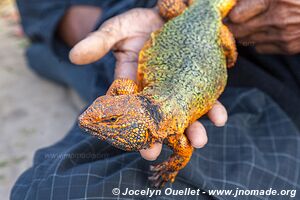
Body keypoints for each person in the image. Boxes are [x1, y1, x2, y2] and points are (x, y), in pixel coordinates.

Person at [11, 0, 300, 199]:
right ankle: (63, 34)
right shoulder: (144, 106)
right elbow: (125, 86)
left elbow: (182, 150)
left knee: (57, 191)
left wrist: (172, 165)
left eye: (110, 119)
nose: (91, 119)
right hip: (180, 23)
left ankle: (57, 38)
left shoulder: (168, 125)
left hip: (273, 75)